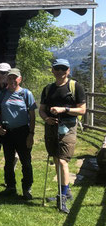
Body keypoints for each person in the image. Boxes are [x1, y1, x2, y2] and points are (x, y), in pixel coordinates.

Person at [39, 59, 86, 214]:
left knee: (62, 160)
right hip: (51, 127)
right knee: (55, 158)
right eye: (57, 68)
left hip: (68, 128)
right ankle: (66, 191)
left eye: (63, 69)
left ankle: (62, 197)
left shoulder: (75, 87)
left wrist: (63, 109)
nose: (60, 71)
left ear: (68, 70)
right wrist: (46, 118)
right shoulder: (48, 89)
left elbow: (82, 110)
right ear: (52, 70)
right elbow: (42, 109)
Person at [0, 68, 37, 199]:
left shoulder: (26, 94)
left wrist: (31, 134)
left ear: (20, 79)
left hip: (23, 131)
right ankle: (10, 186)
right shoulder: (2, 94)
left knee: (26, 161)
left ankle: (27, 188)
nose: (12, 80)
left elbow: (32, 115)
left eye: (15, 78)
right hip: (7, 132)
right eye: (10, 78)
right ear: (7, 79)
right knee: (8, 161)